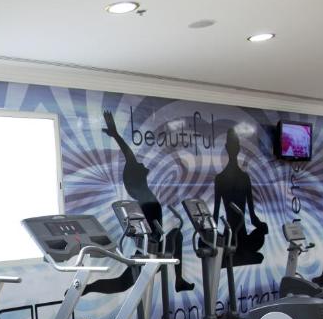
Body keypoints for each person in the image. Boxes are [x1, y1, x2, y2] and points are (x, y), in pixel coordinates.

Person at [85, 110, 192, 296]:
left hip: (157, 248)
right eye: (138, 166)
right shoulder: (142, 196)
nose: (142, 165)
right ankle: (87, 288)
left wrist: (115, 134)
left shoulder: (145, 193)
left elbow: (130, 157)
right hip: (149, 252)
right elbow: (129, 155)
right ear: (136, 179)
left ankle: (179, 280)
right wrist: (116, 135)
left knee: (177, 234)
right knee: (121, 284)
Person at [212, 127, 268, 266]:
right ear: (227, 147)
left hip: (242, 237)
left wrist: (261, 226)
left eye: (235, 144)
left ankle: (237, 253)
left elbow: (253, 216)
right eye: (231, 145)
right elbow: (216, 215)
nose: (233, 147)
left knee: (260, 235)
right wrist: (211, 234)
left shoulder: (244, 178)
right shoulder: (220, 179)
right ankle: (234, 253)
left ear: (238, 147)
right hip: (229, 236)